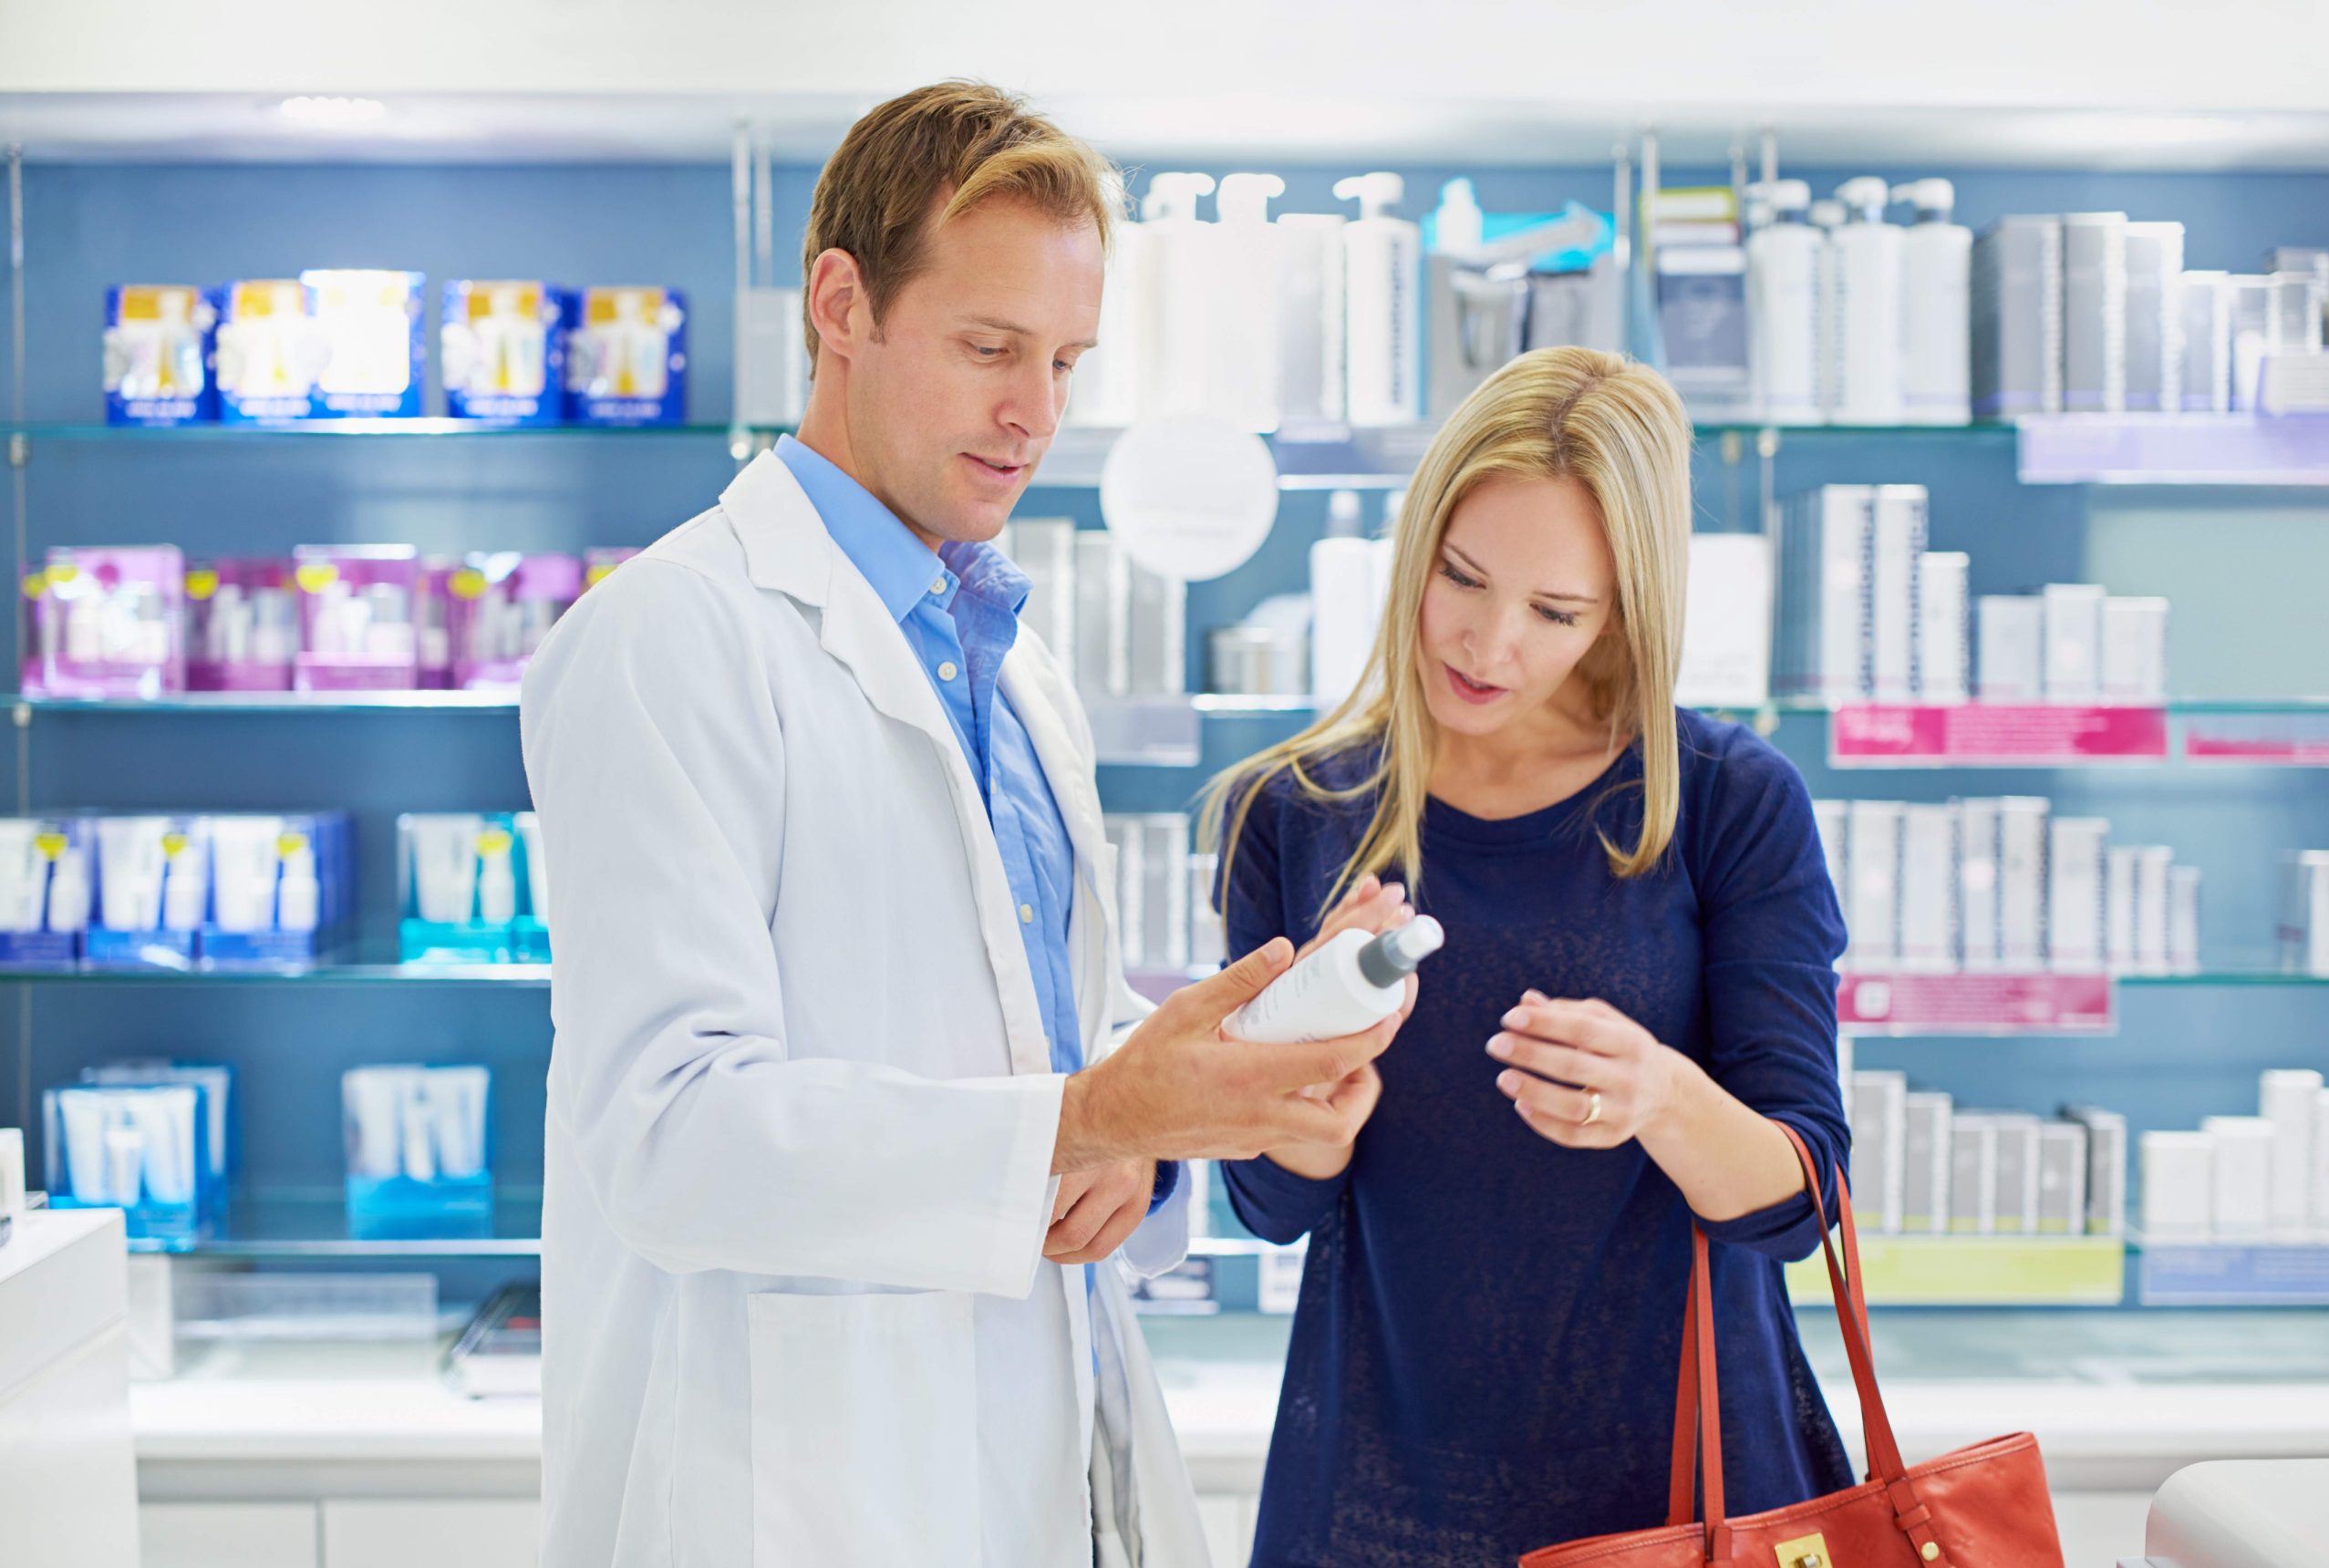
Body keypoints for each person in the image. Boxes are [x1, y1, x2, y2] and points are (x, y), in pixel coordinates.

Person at [520, 81, 1393, 1568]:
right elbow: (669, 1134)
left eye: (1063, 360)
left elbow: (1025, 1039)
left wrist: (1192, 1107)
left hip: (1043, 1462)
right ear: (841, 304)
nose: (1034, 415)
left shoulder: (1014, 664)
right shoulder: (670, 638)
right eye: (990, 349)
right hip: (789, 1495)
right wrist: (1093, 1117)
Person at [1200, 346, 1856, 1566]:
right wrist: (1312, 1079)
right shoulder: (1292, 812)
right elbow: (1272, 1203)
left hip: (1689, 1496)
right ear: (1420, 541)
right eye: (1462, 578)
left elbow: (1798, 1200)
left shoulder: (1722, 802)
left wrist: (1658, 1094)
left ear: (1625, 614)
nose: (1489, 645)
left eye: (1557, 613)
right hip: (1380, 1501)